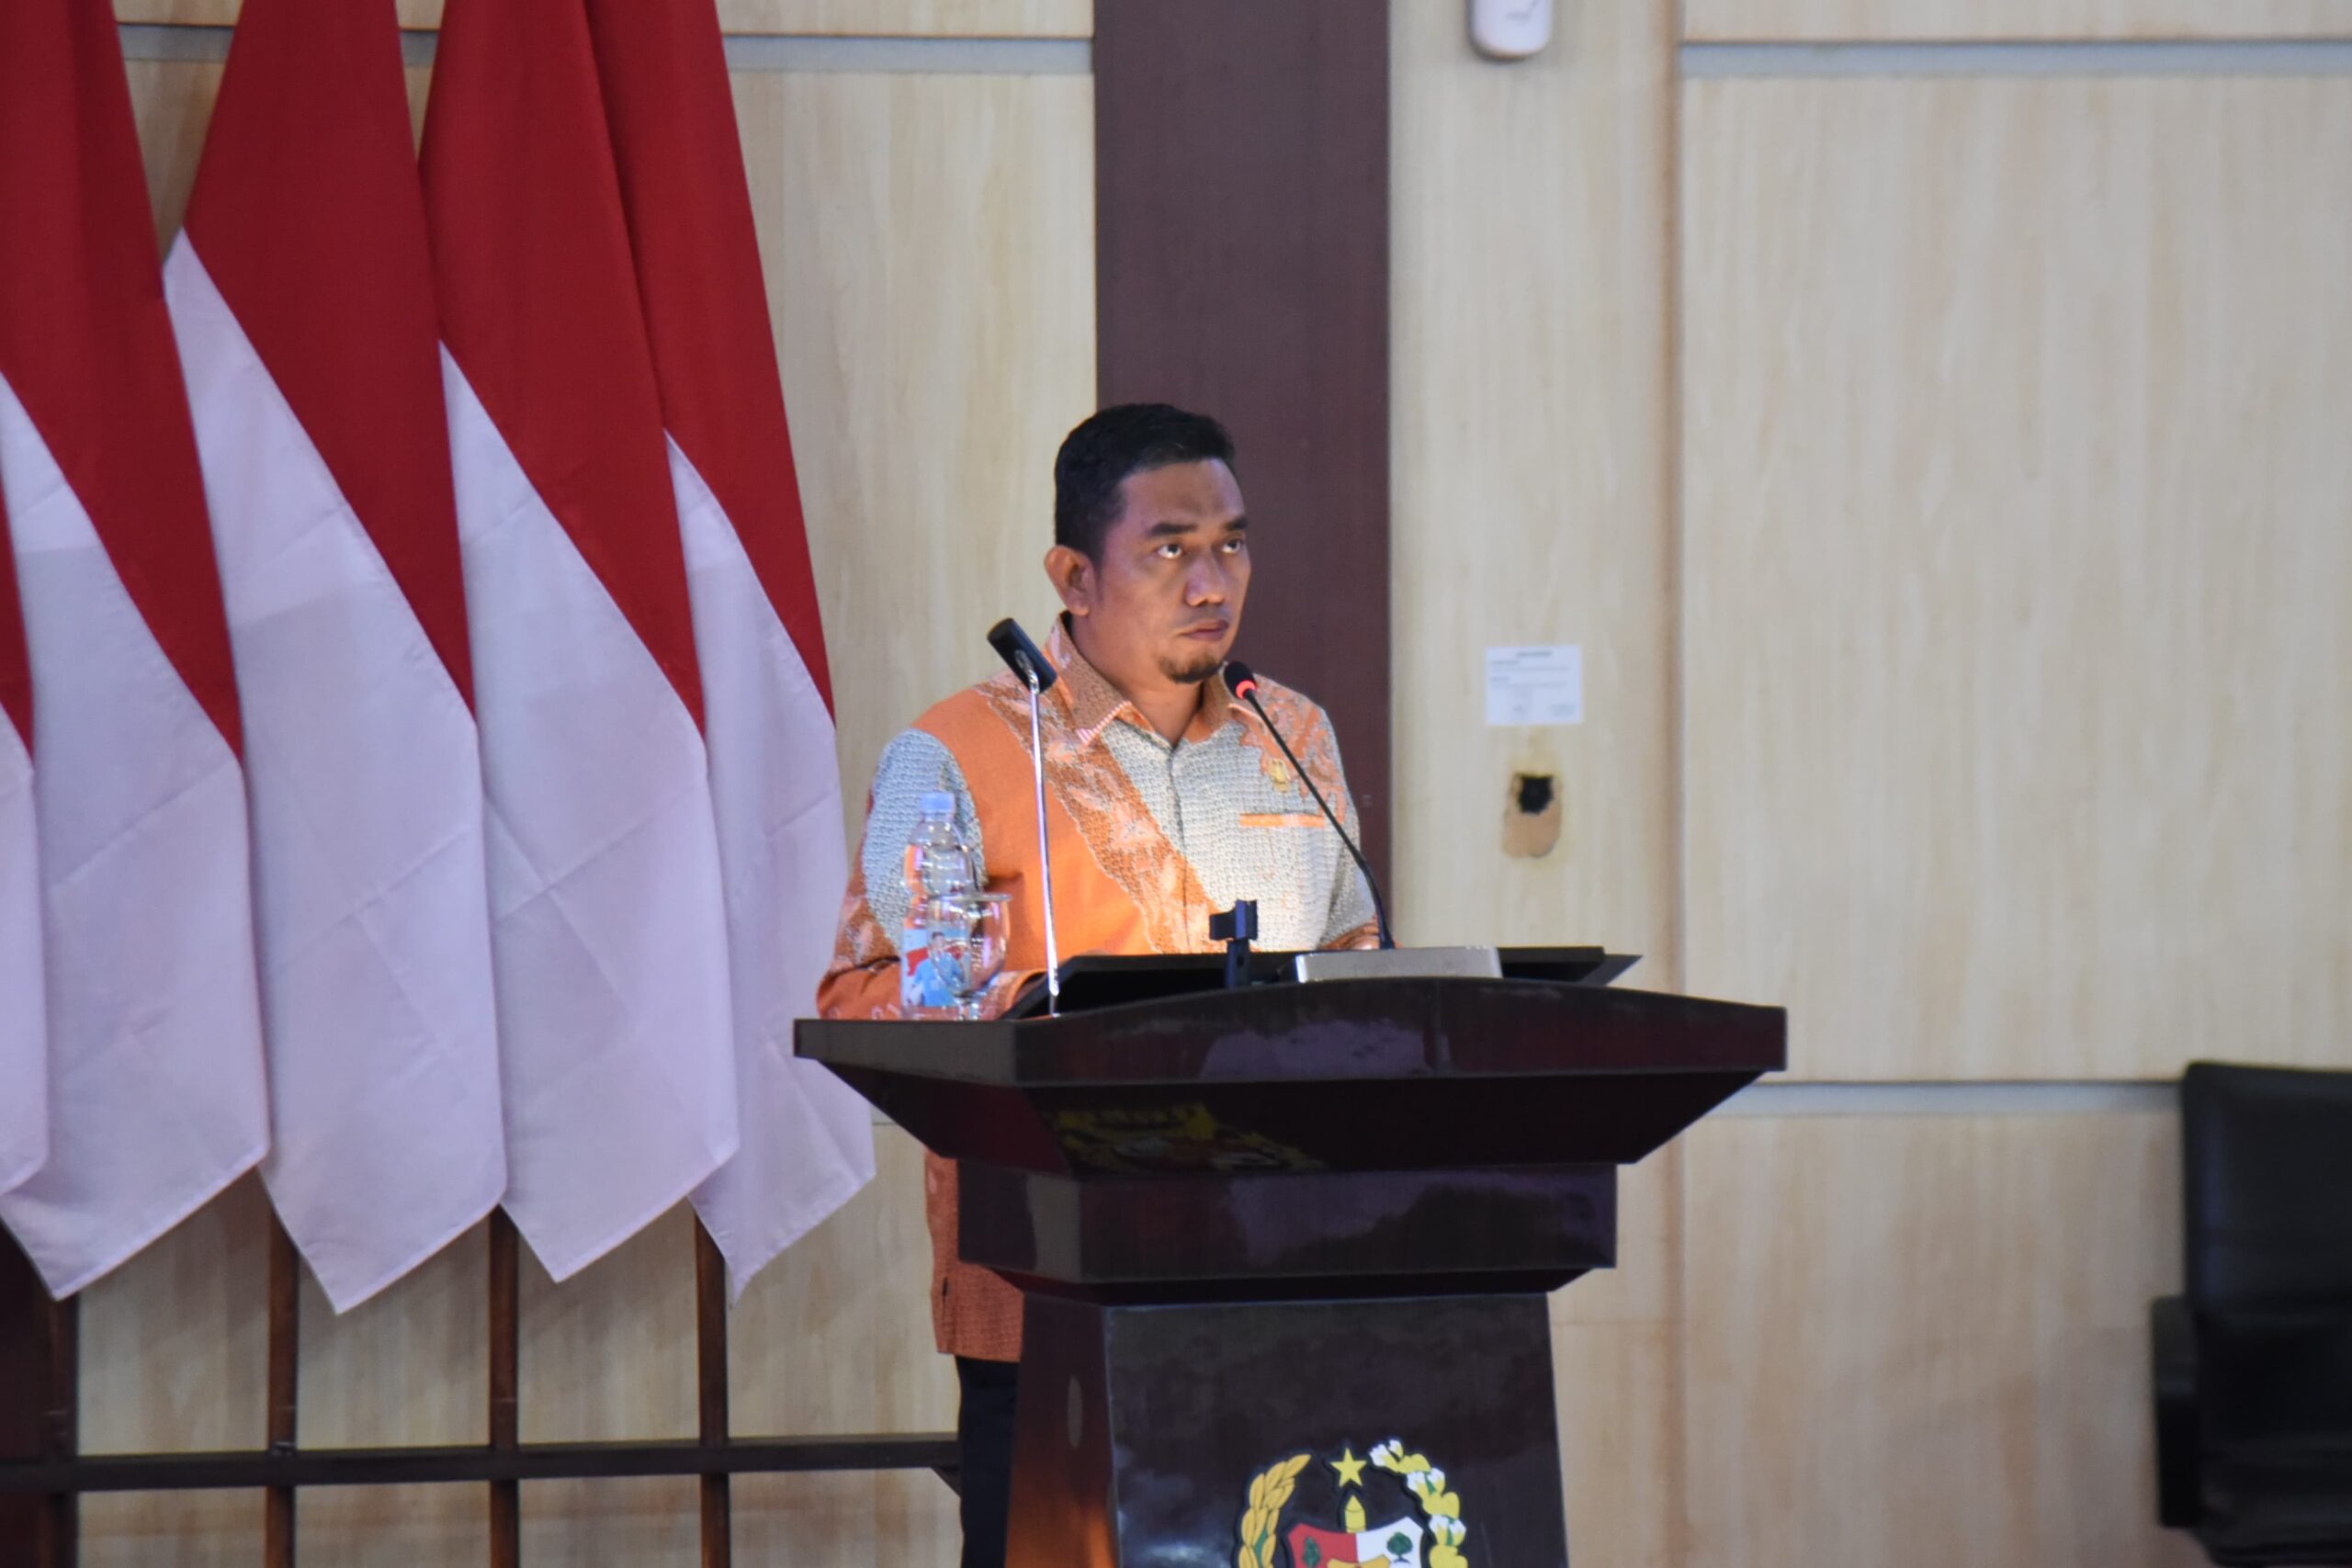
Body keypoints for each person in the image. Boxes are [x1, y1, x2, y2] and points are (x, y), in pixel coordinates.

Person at [815, 402, 1380, 1568]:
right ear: (1074, 575)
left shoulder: (1292, 736)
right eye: (1170, 549)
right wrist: (1041, 1010)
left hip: (1273, 1272)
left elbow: (1355, 970)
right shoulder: (955, 753)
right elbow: (863, 998)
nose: (1211, 582)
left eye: (1231, 544)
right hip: (1045, 1288)